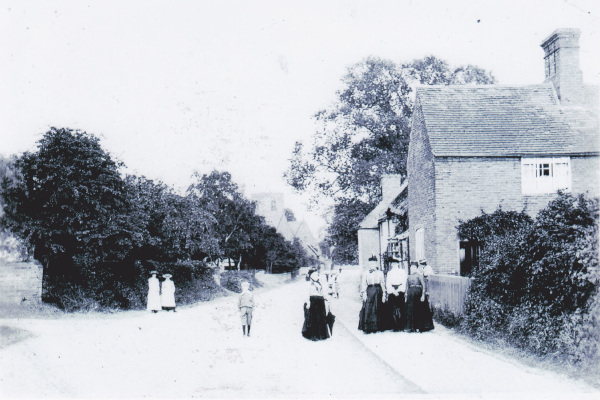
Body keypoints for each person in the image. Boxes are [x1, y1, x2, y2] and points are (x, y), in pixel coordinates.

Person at [358, 255, 387, 333]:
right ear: (369, 264)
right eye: (371, 264)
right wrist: (364, 293)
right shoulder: (366, 273)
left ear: (376, 264)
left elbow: (382, 283)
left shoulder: (380, 273)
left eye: (374, 264)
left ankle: (378, 327)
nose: (372, 265)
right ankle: (369, 327)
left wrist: (384, 294)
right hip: (370, 290)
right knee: (369, 308)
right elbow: (364, 283)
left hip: (378, 290)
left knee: (379, 308)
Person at [302, 269, 331, 341]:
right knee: (314, 318)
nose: (316, 276)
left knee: (321, 318)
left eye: (317, 275)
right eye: (314, 275)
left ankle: (322, 335)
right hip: (313, 302)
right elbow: (306, 294)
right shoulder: (308, 284)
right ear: (310, 276)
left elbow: (323, 292)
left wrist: (327, 298)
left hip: (320, 302)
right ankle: (314, 335)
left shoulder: (319, 283)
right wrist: (308, 302)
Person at [385, 259, 408, 331]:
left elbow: (404, 282)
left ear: (398, 264)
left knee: (401, 308)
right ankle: (393, 326)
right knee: (391, 308)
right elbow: (387, 283)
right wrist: (393, 291)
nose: (393, 265)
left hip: (400, 291)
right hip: (392, 291)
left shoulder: (402, 272)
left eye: (395, 264)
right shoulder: (389, 273)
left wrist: (399, 290)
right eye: (392, 264)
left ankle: (402, 326)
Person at [405, 262, 425, 332]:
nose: (412, 269)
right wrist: (406, 295)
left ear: (416, 268)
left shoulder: (419, 275)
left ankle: (418, 327)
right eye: (411, 267)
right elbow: (407, 287)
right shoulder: (408, 276)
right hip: (410, 293)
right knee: (410, 310)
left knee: (418, 310)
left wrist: (423, 295)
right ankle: (411, 327)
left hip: (418, 293)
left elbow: (424, 286)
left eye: (414, 267)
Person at [417, 259, 435, 332]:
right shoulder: (420, 269)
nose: (421, 265)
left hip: (427, 287)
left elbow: (428, 276)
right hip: (422, 289)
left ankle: (427, 324)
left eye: (422, 264)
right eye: (421, 264)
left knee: (426, 306)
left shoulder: (428, 268)